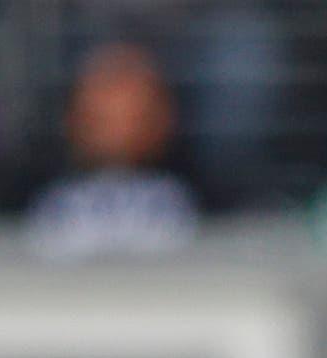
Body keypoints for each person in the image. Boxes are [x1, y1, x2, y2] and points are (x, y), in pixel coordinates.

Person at [22, 39, 200, 260]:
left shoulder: (197, 202)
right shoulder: (45, 203)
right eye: (102, 119)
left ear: (163, 118)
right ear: (73, 119)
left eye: (132, 118)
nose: (118, 131)